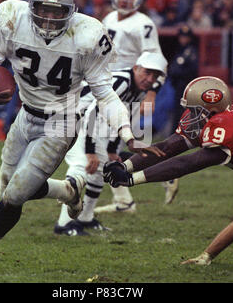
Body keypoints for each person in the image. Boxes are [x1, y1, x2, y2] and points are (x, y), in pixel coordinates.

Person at [0, 0, 153, 276]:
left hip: (61, 119)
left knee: (14, 196)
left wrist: (128, 135)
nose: (49, 19)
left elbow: (105, 93)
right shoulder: (11, 18)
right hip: (25, 115)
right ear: (31, 6)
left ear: (71, 11)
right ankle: (69, 190)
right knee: (9, 188)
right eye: (43, 10)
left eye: (57, 12)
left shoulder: (88, 34)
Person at [103, 76, 233, 264]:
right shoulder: (212, 120)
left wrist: (132, 179)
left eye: (195, 110)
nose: (189, 114)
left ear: (212, 108)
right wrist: (126, 166)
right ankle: (205, 258)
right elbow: (169, 147)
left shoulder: (227, 124)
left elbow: (188, 163)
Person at [54, 51, 168, 235]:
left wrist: (112, 149)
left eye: (154, 76)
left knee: (99, 172)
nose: (150, 79)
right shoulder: (121, 81)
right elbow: (93, 112)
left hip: (84, 121)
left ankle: (85, 218)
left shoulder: (139, 91)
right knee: (83, 166)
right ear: (136, 68)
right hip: (70, 117)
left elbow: (123, 118)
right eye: (147, 72)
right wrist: (90, 151)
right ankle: (64, 224)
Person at [93, 0, 175, 214]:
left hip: (129, 89)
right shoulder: (109, 17)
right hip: (108, 86)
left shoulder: (144, 24)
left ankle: (162, 174)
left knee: (105, 143)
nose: (125, 0)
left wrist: (152, 91)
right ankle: (125, 199)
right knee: (109, 146)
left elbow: (158, 61)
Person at [168, 25, 198, 134]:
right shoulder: (180, 50)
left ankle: (181, 133)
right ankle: (175, 132)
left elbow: (192, 71)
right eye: (181, 36)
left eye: (185, 37)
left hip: (185, 85)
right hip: (177, 85)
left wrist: (176, 73)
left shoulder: (191, 51)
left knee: (183, 110)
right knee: (176, 110)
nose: (183, 39)